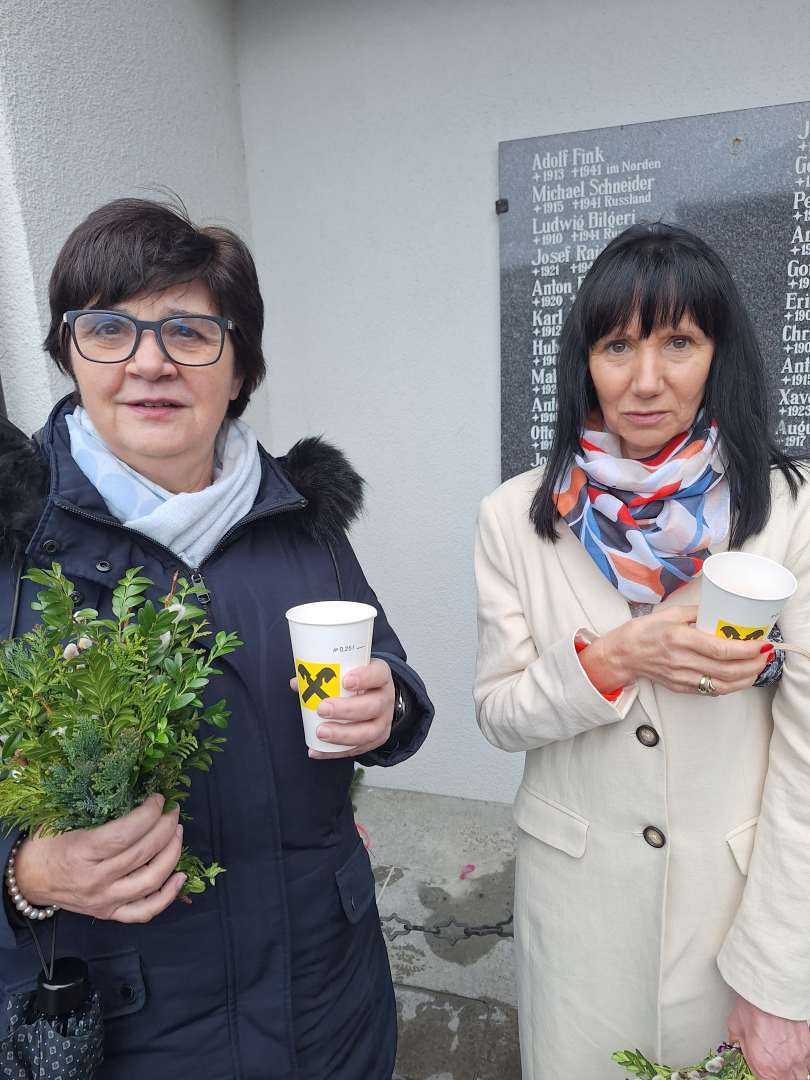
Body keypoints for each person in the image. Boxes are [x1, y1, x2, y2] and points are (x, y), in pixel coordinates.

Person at [0, 197, 434, 1079]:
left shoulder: (301, 521)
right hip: (133, 1030)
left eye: (190, 333)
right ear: (68, 354)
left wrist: (389, 703)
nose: (149, 363)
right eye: (109, 330)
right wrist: (25, 875)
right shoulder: (15, 542)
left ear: (239, 370)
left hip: (329, 1006)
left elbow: (390, 672)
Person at [473, 223, 810, 1080]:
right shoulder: (514, 516)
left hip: (730, 916)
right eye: (618, 345)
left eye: (679, 342)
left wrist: (779, 979)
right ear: (584, 361)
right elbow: (499, 714)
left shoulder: (790, 511)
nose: (647, 379)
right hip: (576, 923)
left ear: (718, 354)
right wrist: (612, 660)